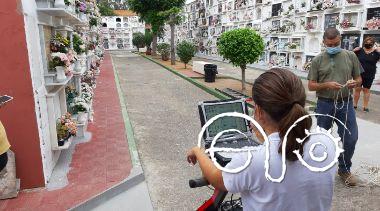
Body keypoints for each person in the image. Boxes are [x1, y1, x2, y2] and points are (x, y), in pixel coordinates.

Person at [187, 68, 338, 210]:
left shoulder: (252, 160)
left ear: (258, 111)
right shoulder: (327, 143)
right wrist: (267, 135)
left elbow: (217, 179)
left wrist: (198, 151)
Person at [307, 28, 362, 186]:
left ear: (340, 40)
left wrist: (354, 83)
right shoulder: (318, 60)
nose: (333, 46)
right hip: (324, 103)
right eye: (330, 44)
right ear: (324, 42)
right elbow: (311, 86)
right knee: (322, 138)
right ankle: (320, 167)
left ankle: (344, 169)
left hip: (346, 103)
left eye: (336, 43)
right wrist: (327, 85)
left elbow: (358, 79)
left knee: (351, 137)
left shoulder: (350, 56)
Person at [353, 37, 380, 112]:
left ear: (373, 44)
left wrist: (378, 51)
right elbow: (350, 56)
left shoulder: (375, 53)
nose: (368, 44)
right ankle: (354, 105)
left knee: (366, 90)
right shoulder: (359, 51)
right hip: (359, 74)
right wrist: (353, 50)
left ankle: (365, 106)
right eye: (367, 42)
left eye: (370, 43)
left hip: (370, 75)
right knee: (357, 89)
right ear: (364, 43)